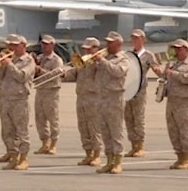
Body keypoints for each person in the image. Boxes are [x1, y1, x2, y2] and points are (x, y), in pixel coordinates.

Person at [152, 39, 188, 169]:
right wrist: (159, 73)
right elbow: (165, 77)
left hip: (184, 101)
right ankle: (179, 156)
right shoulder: (172, 64)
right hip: (172, 100)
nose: (177, 51)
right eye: (175, 49)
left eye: (179, 49)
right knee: (173, 130)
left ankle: (186, 157)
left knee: (184, 130)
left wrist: (174, 73)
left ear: (186, 49)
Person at [0, 34, 35, 170]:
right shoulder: (6, 59)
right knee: (7, 131)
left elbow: (22, 77)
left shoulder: (28, 61)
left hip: (19, 100)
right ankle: (13, 156)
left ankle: (23, 158)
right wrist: (0, 65)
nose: (11, 48)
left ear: (23, 46)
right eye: (9, 45)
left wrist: (9, 65)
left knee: (21, 131)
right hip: (4, 99)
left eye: (15, 45)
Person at [62, 37, 104, 167]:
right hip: (81, 97)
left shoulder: (100, 63)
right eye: (85, 49)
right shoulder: (83, 61)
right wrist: (63, 74)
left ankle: (97, 155)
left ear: (96, 48)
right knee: (83, 127)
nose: (86, 51)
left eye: (89, 49)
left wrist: (98, 61)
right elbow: (74, 73)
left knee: (94, 127)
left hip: (94, 98)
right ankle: (88, 154)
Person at [93, 31, 130, 174]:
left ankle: (118, 162)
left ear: (118, 44)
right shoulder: (105, 58)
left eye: (110, 42)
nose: (107, 45)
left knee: (116, 130)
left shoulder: (123, 59)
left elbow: (118, 72)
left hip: (115, 98)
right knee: (105, 131)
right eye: (107, 42)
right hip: (102, 98)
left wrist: (102, 61)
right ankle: (109, 160)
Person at [124, 28, 158, 158]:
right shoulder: (128, 55)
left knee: (138, 118)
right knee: (129, 118)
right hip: (128, 91)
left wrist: (157, 69)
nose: (135, 40)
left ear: (143, 39)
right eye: (133, 38)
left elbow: (157, 69)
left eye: (137, 38)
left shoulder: (148, 55)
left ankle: (140, 146)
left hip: (140, 91)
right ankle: (133, 145)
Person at [33, 34, 64, 155]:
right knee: (40, 118)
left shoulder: (56, 60)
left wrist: (40, 70)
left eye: (47, 44)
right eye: (43, 44)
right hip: (40, 90)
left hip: (51, 91)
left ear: (52, 45)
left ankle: (53, 144)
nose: (44, 46)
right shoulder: (40, 58)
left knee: (52, 118)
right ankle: (44, 143)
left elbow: (55, 75)